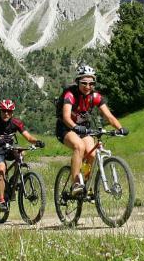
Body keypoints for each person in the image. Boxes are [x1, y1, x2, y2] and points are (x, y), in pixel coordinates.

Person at [55, 64, 128, 197]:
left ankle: (86, 184)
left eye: (91, 83)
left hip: (83, 129)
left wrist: (120, 128)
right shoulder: (70, 94)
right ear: (78, 82)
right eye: (84, 83)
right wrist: (75, 127)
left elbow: (109, 116)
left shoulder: (95, 96)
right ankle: (76, 183)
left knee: (93, 154)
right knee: (79, 146)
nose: (88, 86)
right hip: (65, 128)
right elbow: (66, 116)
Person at [0, 99, 44, 210]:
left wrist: (37, 142)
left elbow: (28, 137)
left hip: (9, 148)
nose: (6, 113)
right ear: (0, 111)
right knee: (2, 170)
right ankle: (1, 200)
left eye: (9, 111)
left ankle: (13, 181)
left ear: (12, 112)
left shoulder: (16, 122)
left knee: (22, 153)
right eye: (4, 111)